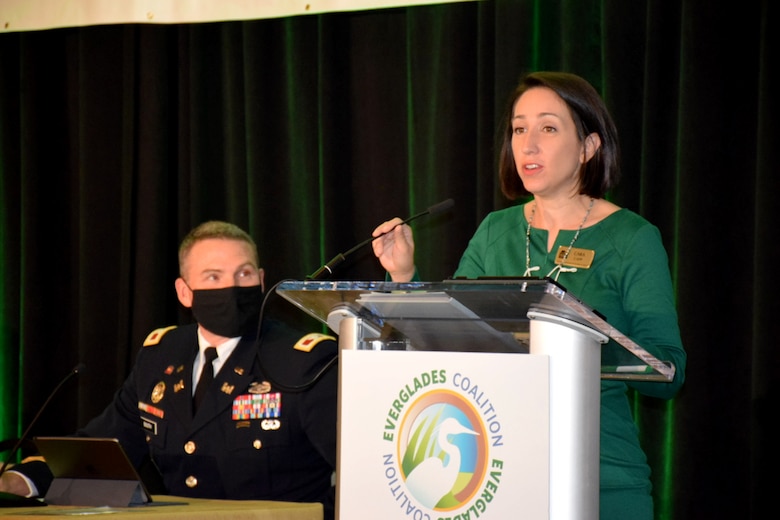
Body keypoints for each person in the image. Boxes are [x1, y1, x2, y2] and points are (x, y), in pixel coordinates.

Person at [371, 71, 686, 520]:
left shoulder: (632, 238)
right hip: (496, 478)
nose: (528, 144)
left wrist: (579, 337)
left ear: (588, 147)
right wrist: (404, 277)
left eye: (548, 128)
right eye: (519, 129)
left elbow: (669, 370)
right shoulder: (494, 231)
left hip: (599, 480)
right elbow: (448, 343)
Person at [0, 221, 338, 518]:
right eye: (213, 276)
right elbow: (103, 449)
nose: (232, 288)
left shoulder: (302, 361)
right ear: (185, 292)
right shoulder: (162, 354)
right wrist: (20, 480)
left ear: (262, 280)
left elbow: (356, 470)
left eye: (244, 273)